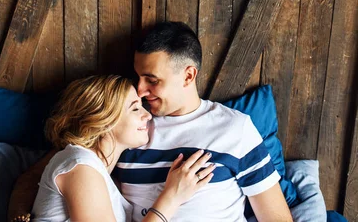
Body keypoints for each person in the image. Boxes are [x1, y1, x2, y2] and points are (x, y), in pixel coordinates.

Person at [114, 21, 293, 222]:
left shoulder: (235, 129)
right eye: (138, 78)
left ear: (188, 76)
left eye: (152, 80)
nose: (140, 90)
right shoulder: (129, 129)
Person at [30, 74, 215, 222]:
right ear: (102, 121)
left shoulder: (95, 170)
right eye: (135, 109)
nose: (148, 116)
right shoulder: (79, 166)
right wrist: (171, 198)